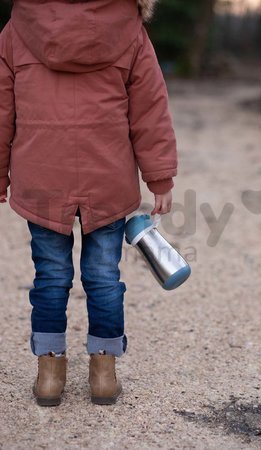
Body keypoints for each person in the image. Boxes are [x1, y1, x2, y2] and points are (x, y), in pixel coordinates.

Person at [0, 0, 177, 406]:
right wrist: (160, 176)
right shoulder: (129, 26)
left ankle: (49, 372)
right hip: (108, 176)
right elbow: (150, 107)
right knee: (102, 278)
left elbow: (2, 110)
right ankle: (103, 373)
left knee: (50, 277)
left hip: (42, 176)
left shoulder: (18, 28)